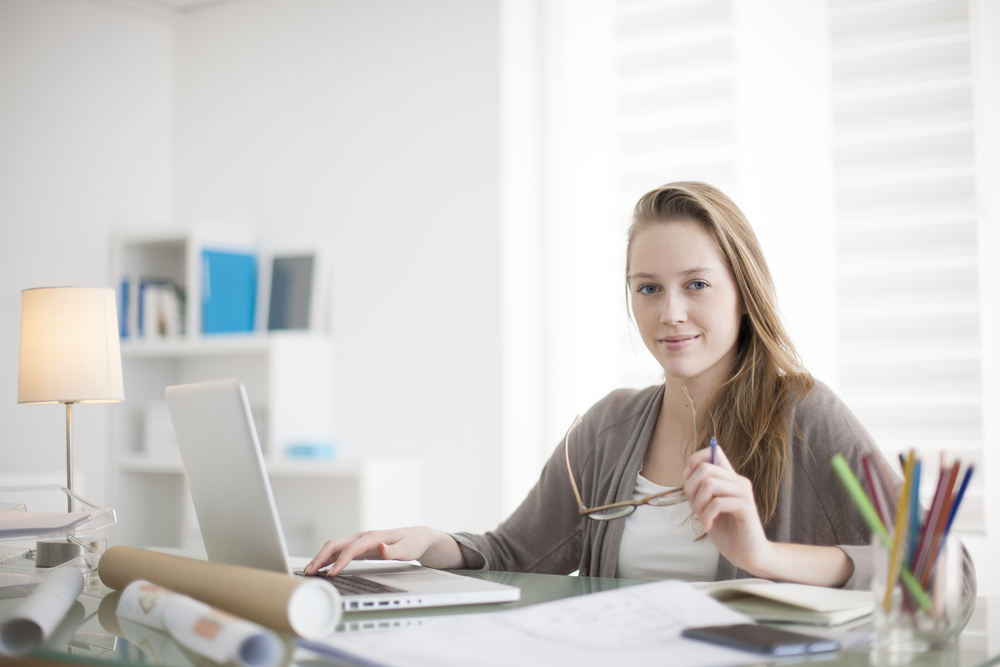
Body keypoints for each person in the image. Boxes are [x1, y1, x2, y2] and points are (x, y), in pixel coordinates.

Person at [306, 181, 976, 594]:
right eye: (647, 288)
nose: (670, 313)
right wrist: (426, 540)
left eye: (697, 284)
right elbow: (515, 552)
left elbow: (943, 571)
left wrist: (763, 555)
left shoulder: (804, 414)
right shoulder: (610, 425)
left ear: (744, 292)